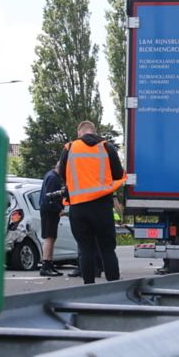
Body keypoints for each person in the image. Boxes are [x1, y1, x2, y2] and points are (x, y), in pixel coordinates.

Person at [57, 121, 124, 284]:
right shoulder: (107, 147)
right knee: (107, 248)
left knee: (85, 248)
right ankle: (114, 284)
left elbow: (62, 172)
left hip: (78, 206)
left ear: (79, 134)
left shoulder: (70, 147)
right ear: (94, 132)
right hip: (102, 205)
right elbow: (117, 174)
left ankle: (88, 286)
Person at [38, 164, 65, 277]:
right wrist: (59, 209)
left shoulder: (52, 176)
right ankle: (45, 265)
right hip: (49, 211)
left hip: (50, 211)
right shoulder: (53, 178)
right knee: (49, 237)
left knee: (52, 237)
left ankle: (49, 263)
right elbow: (49, 197)